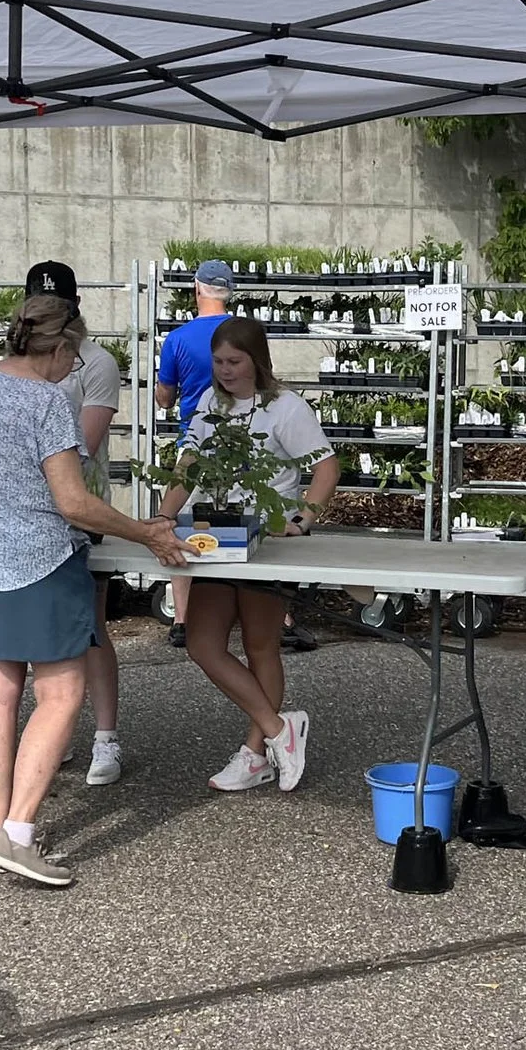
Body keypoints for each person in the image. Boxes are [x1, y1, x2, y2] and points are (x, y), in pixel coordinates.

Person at [0, 295, 185, 888]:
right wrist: (145, 531)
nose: (71, 369)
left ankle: (0, 831)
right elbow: (72, 503)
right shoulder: (48, 402)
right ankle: (18, 834)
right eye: (72, 358)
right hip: (39, 563)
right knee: (61, 694)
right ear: (60, 348)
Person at [157, 315, 337, 793]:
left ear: (257, 360)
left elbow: (325, 468)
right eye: (218, 362)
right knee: (202, 645)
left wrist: (302, 520)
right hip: (215, 539)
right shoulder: (208, 404)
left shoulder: (286, 407)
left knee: (261, 647)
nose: (226, 370)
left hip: (267, 547)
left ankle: (256, 751)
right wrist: (162, 517)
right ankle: (281, 728)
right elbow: (187, 466)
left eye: (235, 361)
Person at [21, 258, 127, 785]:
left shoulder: (96, 364)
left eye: (58, 311)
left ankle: (105, 737)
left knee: (89, 625)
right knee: (36, 629)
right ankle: (53, 731)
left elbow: (85, 445)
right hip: (23, 510)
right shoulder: (11, 363)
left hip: (81, 506)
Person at [154, 258, 235, 647]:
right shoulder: (245, 334)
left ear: (197, 290)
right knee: (249, 520)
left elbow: (165, 398)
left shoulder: (178, 339)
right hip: (243, 439)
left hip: (194, 439)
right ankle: (281, 618)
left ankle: (182, 620)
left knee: (180, 524)